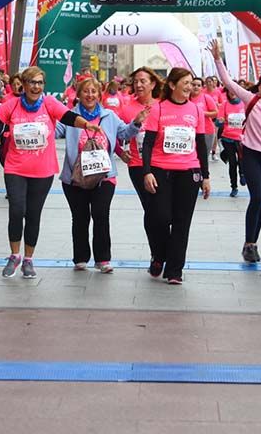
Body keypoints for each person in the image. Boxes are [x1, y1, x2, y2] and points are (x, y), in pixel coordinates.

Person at [0, 66, 91, 279]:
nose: (36, 87)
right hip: (15, 167)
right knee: (16, 210)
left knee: (33, 214)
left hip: (42, 170)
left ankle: (28, 259)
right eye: (32, 82)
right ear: (24, 85)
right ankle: (14, 255)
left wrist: (86, 125)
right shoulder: (12, 105)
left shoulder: (49, 103)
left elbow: (69, 117)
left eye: (40, 83)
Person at [61, 77, 144, 272]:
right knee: (80, 217)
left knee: (100, 214)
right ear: (78, 95)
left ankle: (103, 259)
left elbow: (124, 134)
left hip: (104, 176)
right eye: (85, 91)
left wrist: (136, 123)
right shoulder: (70, 116)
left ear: (100, 95)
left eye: (94, 91)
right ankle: (80, 258)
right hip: (75, 178)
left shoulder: (109, 116)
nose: (90, 95)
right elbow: (54, 130)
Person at [211, 40, 261, 263]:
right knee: (257, 198)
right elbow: (228, 82)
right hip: (251, 155)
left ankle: (251, 244)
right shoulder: (251, 100)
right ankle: (249, 242)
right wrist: (217, 58)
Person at [141, 67, 211, 284]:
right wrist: (147, 172)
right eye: (185, 83)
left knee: (182, 223)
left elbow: (200, 144)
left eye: (191, 83)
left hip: (189, 171)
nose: (190, 87)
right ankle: (159, 255)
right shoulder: (158, 108)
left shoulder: (196, 110)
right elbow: (148, 143)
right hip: (161, 170)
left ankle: (174, 270)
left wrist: (206, 176)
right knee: (160, 218)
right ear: (172, 85)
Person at [115, 67, 164, 259]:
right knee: (150, 208)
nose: (138, 84)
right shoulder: (127, 108)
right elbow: (114, 132)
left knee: (162, 211)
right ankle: (156, 254)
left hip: (161, 164)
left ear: (153, 84)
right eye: (136, 81)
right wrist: (120, 152)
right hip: (138, 165)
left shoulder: (162, 105)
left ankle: (162, 248)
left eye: (143, 81)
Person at [219, 86, 245, 197]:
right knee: (232, 163)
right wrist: (220, 121)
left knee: (242, 160)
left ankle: (242, 173)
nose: (232, 93)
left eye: (234, 91)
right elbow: (218, 121)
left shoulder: (244, 104)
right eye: (230, 91)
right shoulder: (225, 105)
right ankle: (234, 186)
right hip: (228, 138)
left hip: (241, 138)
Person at [190, 76, 219, 162]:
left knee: (203, 157)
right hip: (190, 132)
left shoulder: (206, 98)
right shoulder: (186, 98)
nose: (196, 87)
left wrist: (202, 113)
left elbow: (215, 113)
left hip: (206, 132)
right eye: (193, 85)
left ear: (202, 87)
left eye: (198, 85)